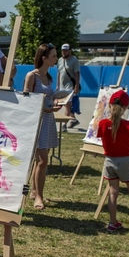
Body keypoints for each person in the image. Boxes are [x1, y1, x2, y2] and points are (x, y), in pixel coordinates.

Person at [97, 90, 129, 237]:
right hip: (125, 161)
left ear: (110, 106)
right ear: (126, 108)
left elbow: (102, 137)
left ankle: (113, 223)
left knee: (113, 193)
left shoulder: (102, 124)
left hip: (109, 161)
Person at [23, 43, 60, 210]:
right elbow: (27, 102)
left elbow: (48, 97)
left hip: (47, 119)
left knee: (40, 160)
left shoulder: (49, 77)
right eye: (53, 56)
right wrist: (46, 108)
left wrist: (56, 101)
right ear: (44, 58)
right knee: (42, 160)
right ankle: (38, 196)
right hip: (36, 121)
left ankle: (34, 190)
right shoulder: (32, 76)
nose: (56, 58)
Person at [57, 44, 81, 128]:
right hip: (62, 86)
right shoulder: (60, 60)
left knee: (67, 104)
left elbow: (77, 73)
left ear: (70, 51)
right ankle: (73, 119)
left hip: (70, 86)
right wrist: (58, 85)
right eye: (63, 50)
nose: (64, 52)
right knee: (64, 104)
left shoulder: (74, 60)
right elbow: (59, 73)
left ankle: (64, 124)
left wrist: (76, 85)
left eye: (66, 50)